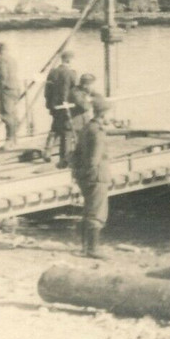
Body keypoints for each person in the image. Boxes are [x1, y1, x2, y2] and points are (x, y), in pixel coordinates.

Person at [71, 94, 111, 258]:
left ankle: (85, 247)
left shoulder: (86, 127)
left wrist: (79, 172)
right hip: (97, 176)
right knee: (97, 212)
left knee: (88, 210)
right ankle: (93, 249)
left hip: (85, 177)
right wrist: (90, 171)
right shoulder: (98, 132)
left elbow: (76, 152)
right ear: (103, 114)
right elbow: (94, 158)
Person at [43, 50, 79, 167]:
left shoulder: (52, 72)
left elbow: (47, 91)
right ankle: (64, 158)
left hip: (54, 106)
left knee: (54, 128)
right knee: (66, 132)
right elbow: (75, 91)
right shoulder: (71, 73)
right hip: (66, 106)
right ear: (69, 60)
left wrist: (50, 104)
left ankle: (47, 151)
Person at [0, 42, 21, 150]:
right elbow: (3, 74)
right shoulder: (12, 59)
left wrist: (0, 87)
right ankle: (14, 140)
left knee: (6, 115)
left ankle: (9, 142)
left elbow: (2, 75)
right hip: (15, 89)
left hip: (6, 91)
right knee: (13, 114)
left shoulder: (1, 59)